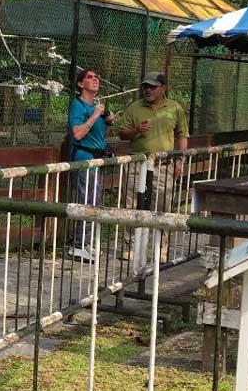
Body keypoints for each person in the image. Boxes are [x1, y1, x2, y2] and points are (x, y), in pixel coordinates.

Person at [117, 71, 189, 210]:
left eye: (152, 87)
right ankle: (133, 232)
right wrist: (136, 130)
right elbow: (122, 134)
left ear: (163, 88)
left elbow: (182, 135)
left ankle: (160, 233)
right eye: (145, 87)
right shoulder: (134, 107)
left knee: (162, 208)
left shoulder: (174, 108)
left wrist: (180, 161)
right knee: (131, 207)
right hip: (136, 165)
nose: (148, 90)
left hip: (163, 165)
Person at [68, 68, 112, 262]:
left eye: (97, 76)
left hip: (98, 159)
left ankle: (87, 243)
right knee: (86, 201)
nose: (95, 79)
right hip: (85, 158)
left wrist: (108, 120)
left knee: (95, 201)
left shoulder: (97, 106)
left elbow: (98, 135)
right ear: (80, 84)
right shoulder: (78, 106)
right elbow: (77, 134)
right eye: (89, 77)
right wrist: (95, 116)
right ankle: (77, 245)